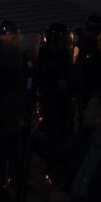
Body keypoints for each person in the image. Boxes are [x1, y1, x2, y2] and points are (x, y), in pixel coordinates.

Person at [0, 20, 25, 202]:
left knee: (13, 147)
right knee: (0, 153)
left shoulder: (15, 53)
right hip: (0, 111)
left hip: (12, 108)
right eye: (11, 35)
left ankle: (14, 179)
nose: (14, 39)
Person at [34, 23, 73, 182]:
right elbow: (41, 74)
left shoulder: (62, 53)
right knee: (52, 134)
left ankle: (58, 164)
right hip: (50, 99)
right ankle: (51, 166)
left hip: (60, 100)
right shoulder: (46, 53)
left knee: (61, 133)